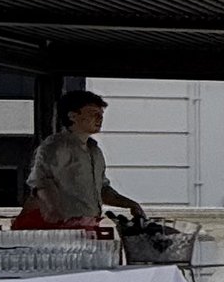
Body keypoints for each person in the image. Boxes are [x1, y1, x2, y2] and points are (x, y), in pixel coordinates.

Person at [21, 91, 138, 230]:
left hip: (87, 224)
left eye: (101, 114)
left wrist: (131, 204)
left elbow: (102, 190)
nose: (99, 118)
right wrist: (53, 210)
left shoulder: (95, 151)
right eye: (92, 113)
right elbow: (40, 182)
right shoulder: (56, 146)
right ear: (73, 116)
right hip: (58, 228)